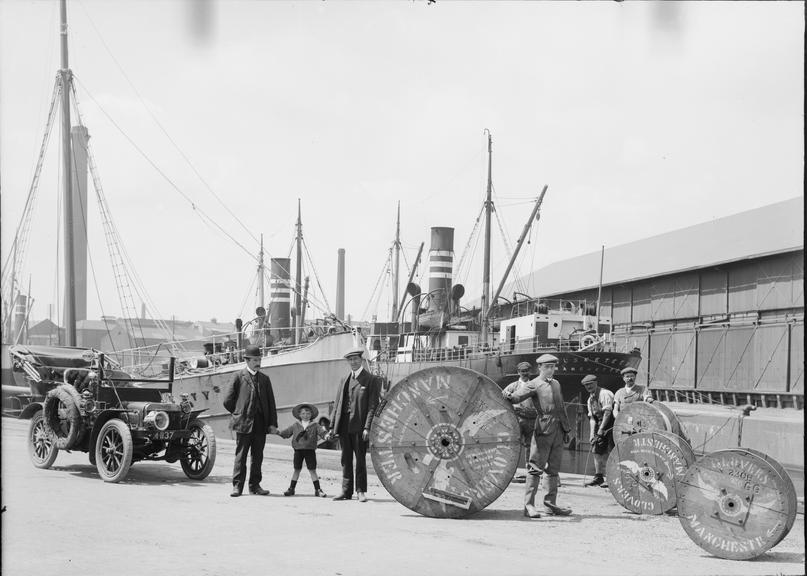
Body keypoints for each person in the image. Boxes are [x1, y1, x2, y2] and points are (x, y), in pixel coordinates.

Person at [504, 354, 573, 518]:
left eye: (553, 366)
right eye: (547, 367)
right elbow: (517, 397)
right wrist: (509, 396)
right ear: (540, 368)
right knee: (535, 468)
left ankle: (550, 505)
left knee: (553, 470)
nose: (551, 369)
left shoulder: (556, 384)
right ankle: (529, 506)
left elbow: (561, 407)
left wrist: (566, 430)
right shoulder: (533, 384)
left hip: (558, 429)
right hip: (543, 427)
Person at [325, 346, 381, 502]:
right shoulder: (344, 380)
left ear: (361, 360)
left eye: (355, 359)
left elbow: (372, 406)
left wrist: (367, 427)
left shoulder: (371, 380)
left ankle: (360, 491)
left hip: (359, 426)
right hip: (344, 426)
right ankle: (346, 490)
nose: (353, 362)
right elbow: (337, 404)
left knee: (360, 459)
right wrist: (332, 426)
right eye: (350, 360)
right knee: (345, 458)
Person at [223, 344, 278, 497]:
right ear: (247, 360)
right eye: (255, 359)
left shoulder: (265, 379)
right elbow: (227, 400)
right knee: (241, 456)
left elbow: (271, 403)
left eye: (259, 359)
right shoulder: (238, 376)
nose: (258, 362)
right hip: (243, 423)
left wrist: (272, 423)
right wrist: (238, 413)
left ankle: (255, 486)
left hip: (260, 424)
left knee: (257, 457)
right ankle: (237, 487)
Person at [277, 403, 329, 498]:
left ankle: (318, 490)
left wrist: (326, 435)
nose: (306, 415)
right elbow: (286, 433)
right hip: (298, 451)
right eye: (303, 413)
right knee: (296, 469)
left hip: (310, 451)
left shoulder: (315, 425)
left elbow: (322, 432)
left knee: (312, 470)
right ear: (299, 415)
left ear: (311, 415)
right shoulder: (296, 425)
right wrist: (278, 432)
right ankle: (291, 489)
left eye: (308, 413)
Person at [501, 361, 539, 483]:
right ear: (518, 372)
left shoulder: (535, 385)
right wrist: (506, 394)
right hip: (517, 419)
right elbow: (502, 396)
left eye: (526, 371)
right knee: (514, 445)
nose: (524, 373)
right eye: (522, 371)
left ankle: (529, 471)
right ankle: (512, 471)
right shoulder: (513, 386)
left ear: (530, 372)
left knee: (530, 446)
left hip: (532, 419)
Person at [581, 374, 614, 488]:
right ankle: (598, 477)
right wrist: (592, 434)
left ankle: (611, 479)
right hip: (600, 423)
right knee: (596, 450)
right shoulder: (590, 399)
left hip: (611, 425)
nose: (588, 387)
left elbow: (608, 413)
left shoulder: (604, 393)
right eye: (586, 385)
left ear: (596, 382)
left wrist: (601, 429)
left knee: (611, 452)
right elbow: (592, 418)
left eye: (590, 384)